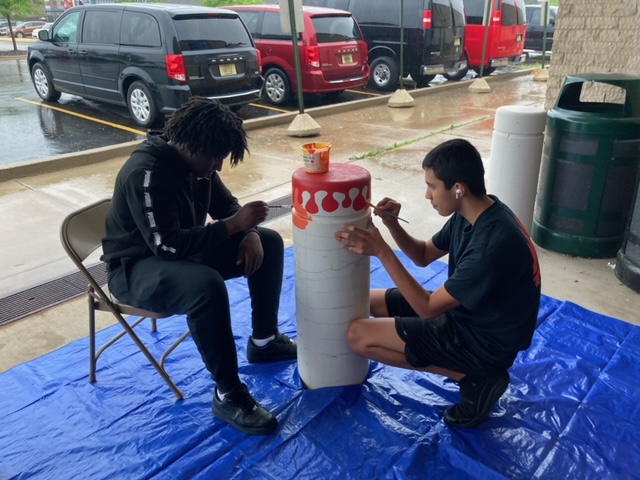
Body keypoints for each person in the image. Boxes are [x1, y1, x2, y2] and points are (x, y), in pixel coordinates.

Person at [101, 97, 297, 436]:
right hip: (136, 268)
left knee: (270, 241)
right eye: (216, 158)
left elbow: (226, 207)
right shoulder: (147, 174)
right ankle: (228, 393)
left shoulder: (199, 162)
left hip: (178, 253)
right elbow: (167, 245)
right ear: (191, 145)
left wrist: (249, 231)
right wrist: (235, 226)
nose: (219, 166)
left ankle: (264, 341)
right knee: (204, 285)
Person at [334, 138, 541, 428]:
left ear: (459, 189)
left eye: (432, 186)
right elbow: (422, 255)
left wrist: (382, 250)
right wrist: (392, 225)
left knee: (358, 335)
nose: (427, 195)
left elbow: (429, 308)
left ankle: (474, 377)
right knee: (370, 301)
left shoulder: (490, 244)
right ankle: (466, 369)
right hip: (471, 316)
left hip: (485, 343)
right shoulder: (476, 211)